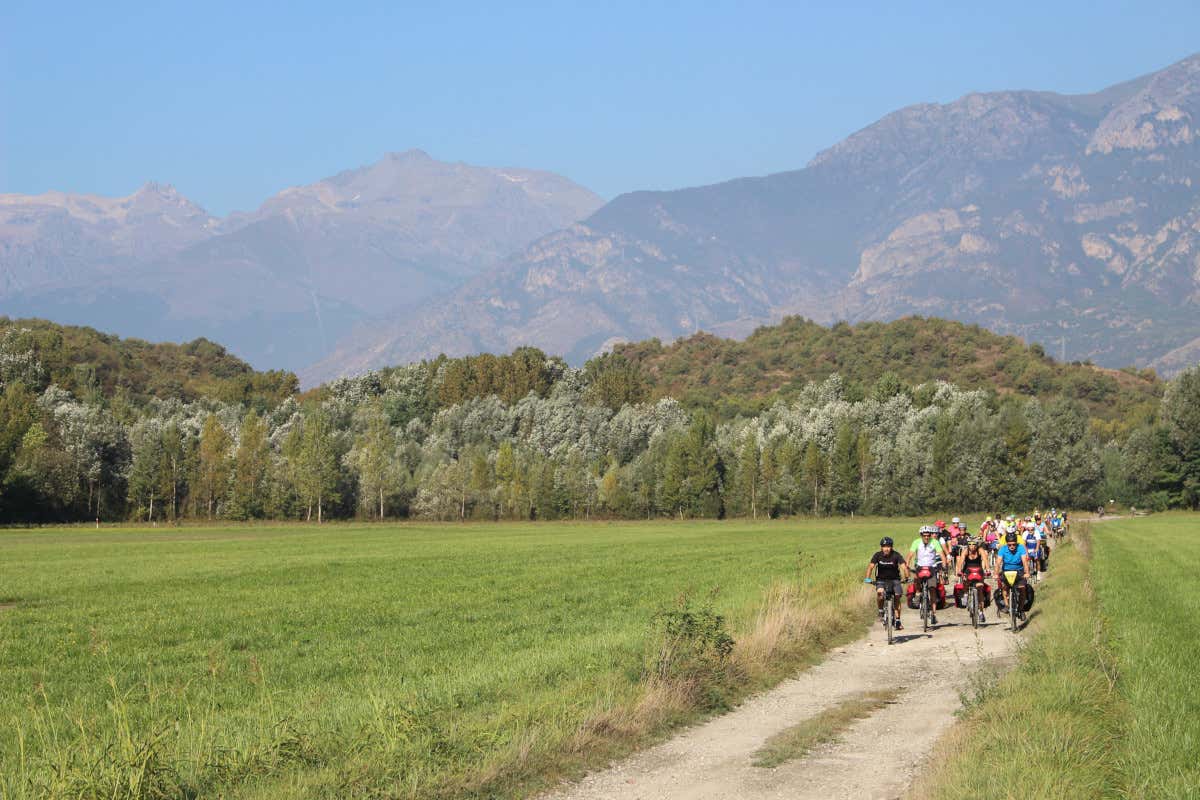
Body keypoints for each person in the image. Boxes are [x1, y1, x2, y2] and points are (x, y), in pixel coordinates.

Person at [865, 536, 911, 630]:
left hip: (895, 580)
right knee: (880, 593)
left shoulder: (896, 555)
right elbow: (871, 567)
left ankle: (897, 621)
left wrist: (907, 577)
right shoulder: (877, 555)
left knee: (897, 596)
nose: (886, 548)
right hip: (881, 580)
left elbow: (904, 566)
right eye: (884, 546)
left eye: (889, 546)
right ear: (881, 547)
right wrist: (867, 578)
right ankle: (881, 610)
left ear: (892, 547)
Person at [907, 525, 950, 624]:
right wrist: (907, 566)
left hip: (932, 567)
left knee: (932, 589)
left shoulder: (935, 542)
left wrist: (944, 566)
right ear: (921, 535)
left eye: (928, 535)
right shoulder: (916, 542)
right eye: (924, 535)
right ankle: (918, 594)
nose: (926, 537)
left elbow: (942, 555)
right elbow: (910, 555)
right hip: (920, 566)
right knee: (916, 579)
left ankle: (933, 614)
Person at [954, 538, 991, 623]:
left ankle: (981, 612)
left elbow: (985, 559)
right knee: (966, 582)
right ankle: (966, 594)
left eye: (973, 544)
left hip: (978, 570)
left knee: (980, 589)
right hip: (967, 569)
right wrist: (959, 571)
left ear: (977, 545)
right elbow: (961, 561)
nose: (972, 546)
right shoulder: (965, 551)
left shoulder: (980, 550)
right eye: (970, 544)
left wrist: (988, 570)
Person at [996, 531, 1032, 618]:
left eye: (1014, 544)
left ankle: (1021, 609)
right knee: (1004, 587)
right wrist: (995, 573)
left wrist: (1027, 573)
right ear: (1007, 544)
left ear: (1016, 543)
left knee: (1022, 588)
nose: (1012, 546)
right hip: (1006, 571)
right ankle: (1007, 605)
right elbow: (998, 563)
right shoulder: (1003, 549)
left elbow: (1024, 561)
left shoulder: (1021, 548)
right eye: (1009, 545)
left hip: (1019, 571)